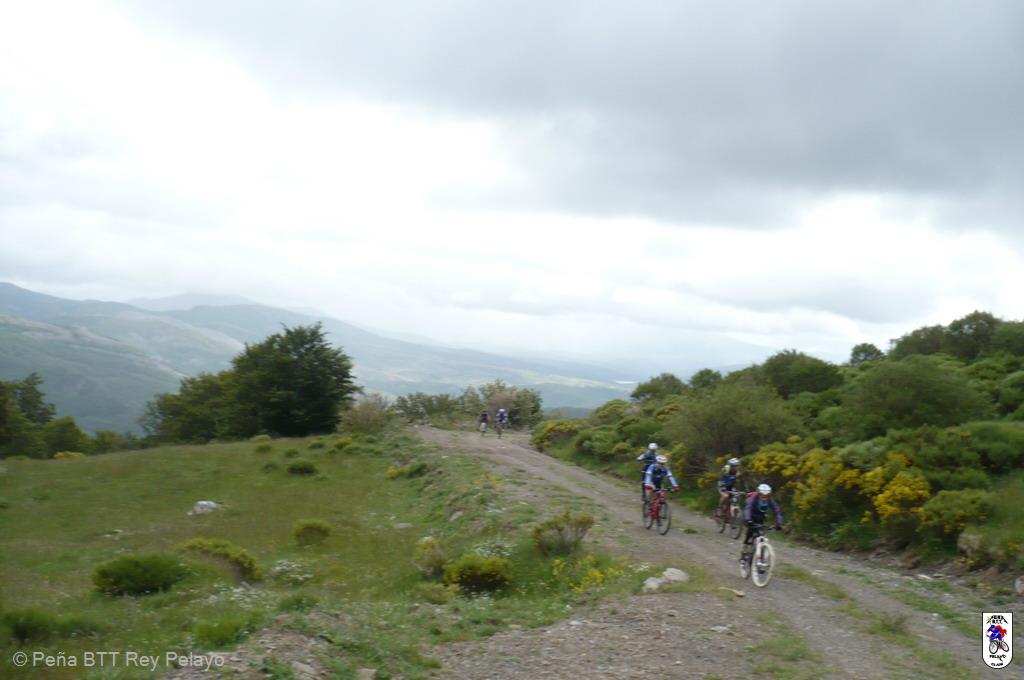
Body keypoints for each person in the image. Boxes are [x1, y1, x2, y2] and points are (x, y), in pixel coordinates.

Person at [742, 483, 783, 548]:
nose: (764, 497)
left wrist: (779, 523)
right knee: (751, 530)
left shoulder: (770, 500)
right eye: (762, 495)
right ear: (759, 494)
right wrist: (748, 519)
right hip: (750, 515)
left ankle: (759, 549)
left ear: (769, 495)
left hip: (760, 517)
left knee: (761, 532)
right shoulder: (753, 499)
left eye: (766, 496)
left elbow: (776, 511)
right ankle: (746, 544)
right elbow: (748, 508)